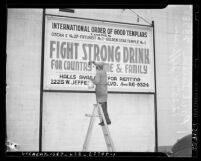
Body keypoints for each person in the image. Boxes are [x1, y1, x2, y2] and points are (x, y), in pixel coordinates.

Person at [88, 60, 111, 126]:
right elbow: (99, 65)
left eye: (96, 67)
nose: (95, 68)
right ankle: (107, 120)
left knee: (101, 108)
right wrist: (93, 62)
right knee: (104, 107)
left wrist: (91, 79)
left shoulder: (98, 73)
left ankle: (105, 121)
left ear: (97, 67)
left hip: (100, 92)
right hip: (104, 91)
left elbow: (97, 82)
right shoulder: (104, 72)